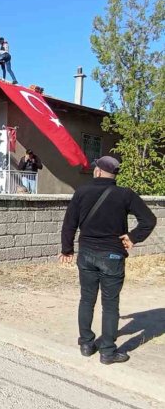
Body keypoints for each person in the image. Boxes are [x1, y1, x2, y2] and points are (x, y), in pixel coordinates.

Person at [59, 156, 156, 365]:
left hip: (86, 255)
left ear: (98, 172)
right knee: (110, 305)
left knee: (87, 300)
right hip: (112, 256)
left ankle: (86, 344)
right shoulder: (125, 195)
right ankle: (108, 352)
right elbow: (149, 220)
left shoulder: (82, 192)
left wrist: (67, 250)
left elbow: (69, 224)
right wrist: (133, 237)